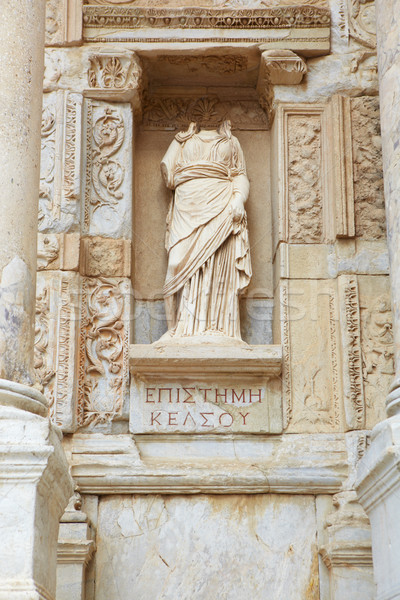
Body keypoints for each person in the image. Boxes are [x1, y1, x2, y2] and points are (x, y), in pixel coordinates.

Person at [159, 120, 251, 341]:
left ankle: (218, 328)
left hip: (221, 202)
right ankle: (174, 331)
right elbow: (168, 173)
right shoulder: (184, 140)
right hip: (187, 205)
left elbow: (240, 175)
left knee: (217, 263)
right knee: (175, 264)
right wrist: (178, 140)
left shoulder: (231, 141)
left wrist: (238, 200)